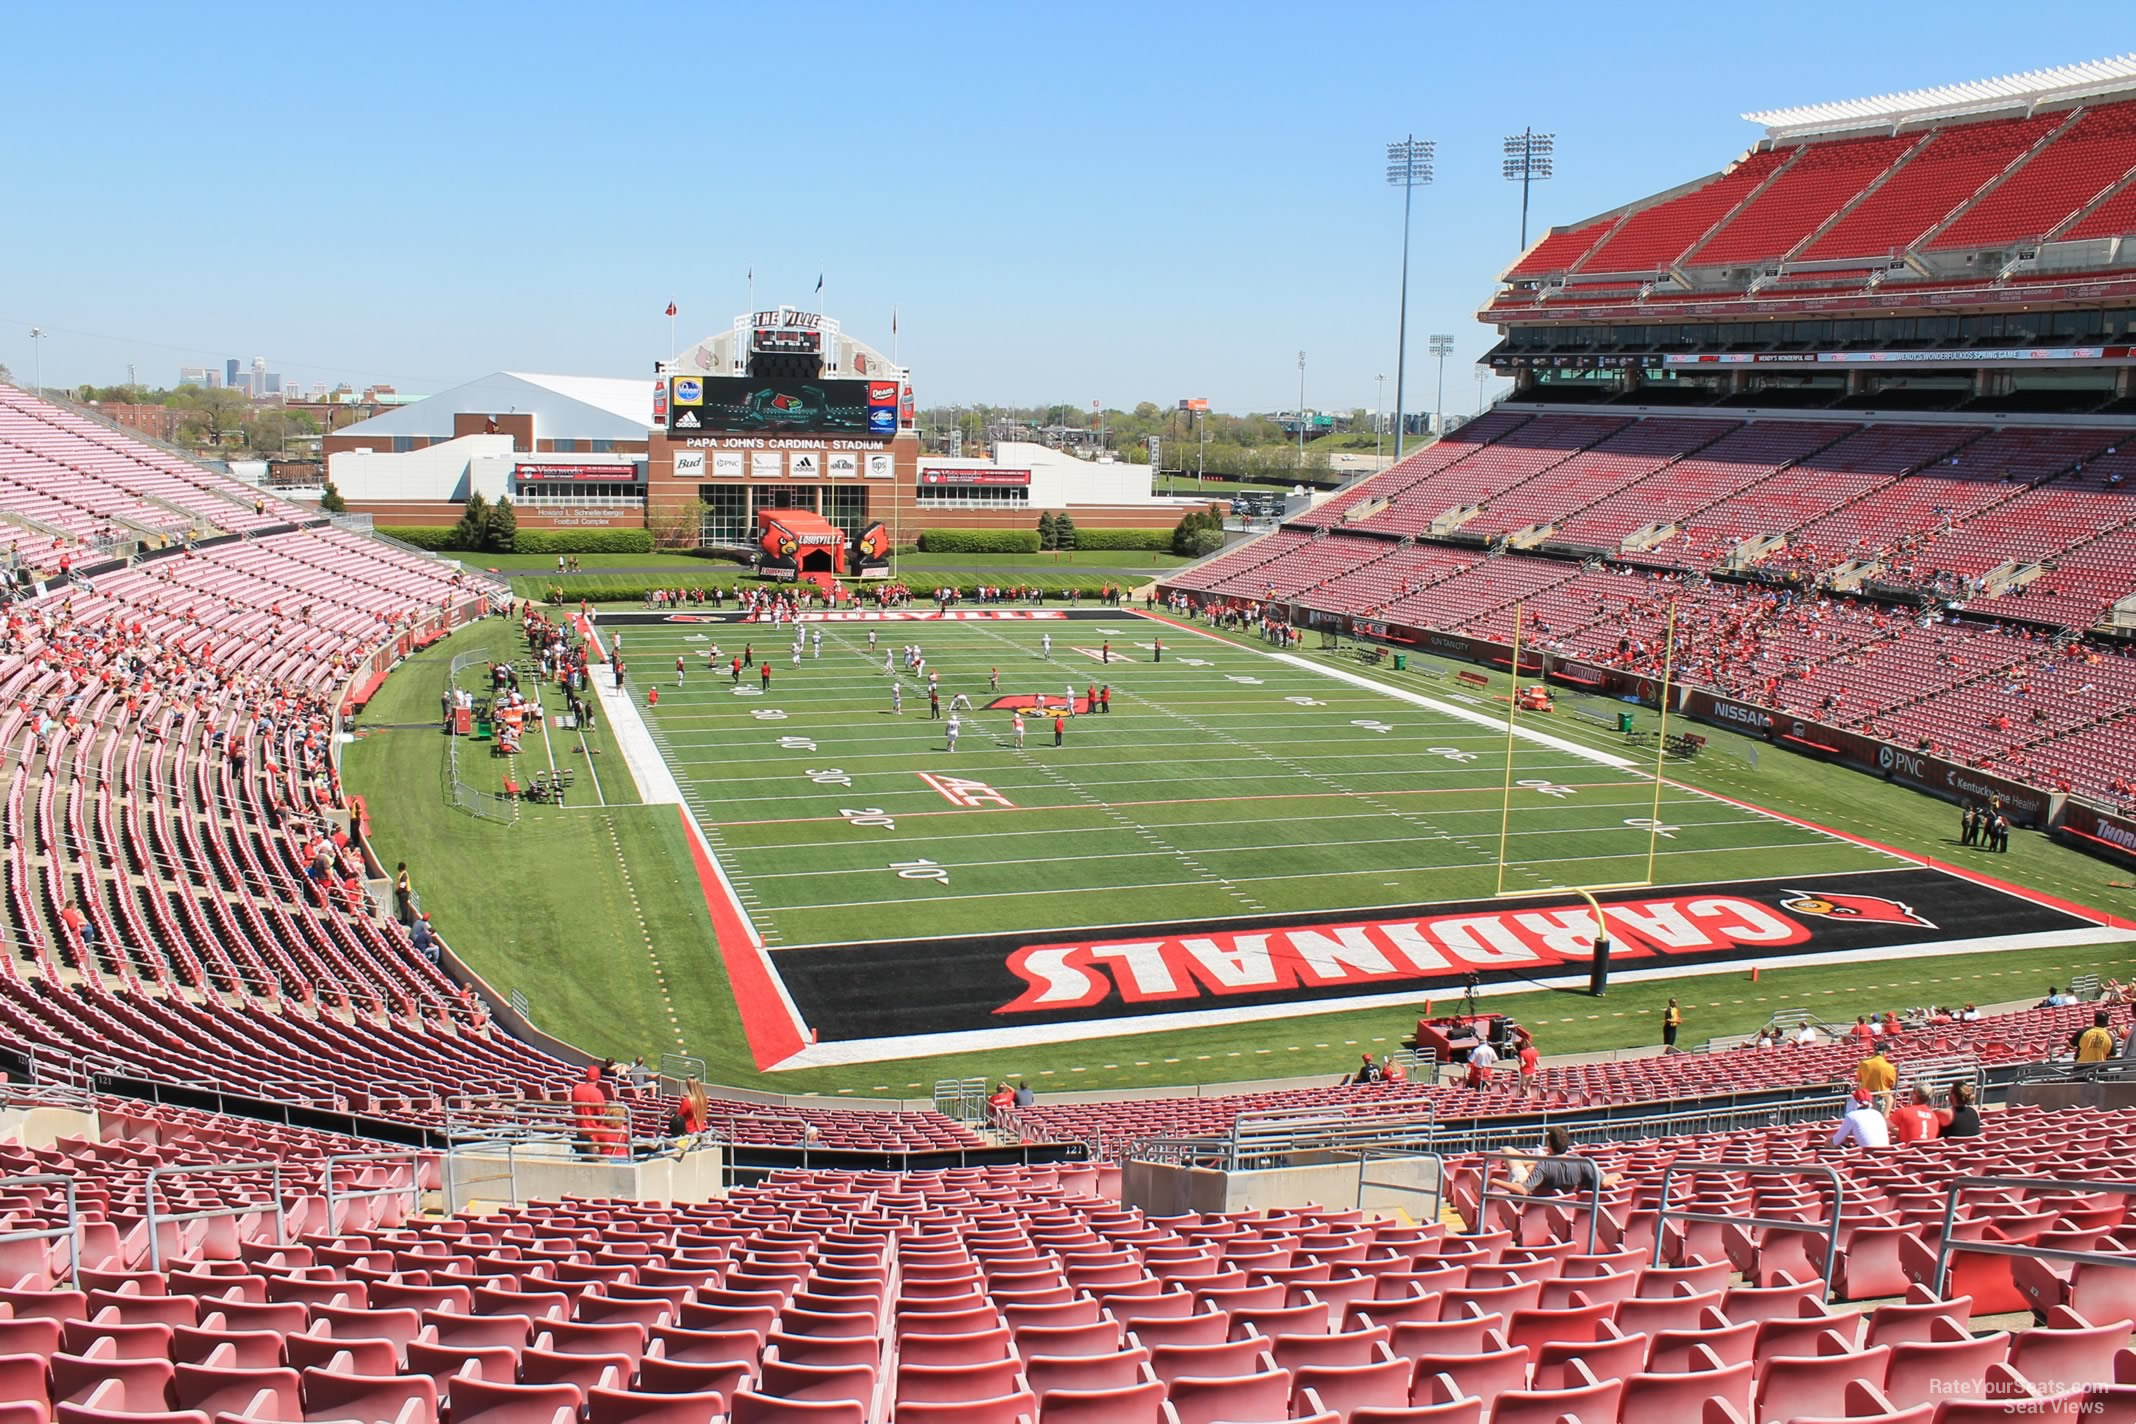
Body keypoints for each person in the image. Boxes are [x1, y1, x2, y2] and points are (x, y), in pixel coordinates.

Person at [1496, 1126, 1622, 1197]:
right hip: (1564, 1205)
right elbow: (1604, 1182)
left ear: (1550, 1146)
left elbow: (1524, 1190)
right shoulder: (1583, 1162)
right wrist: (1617, 1175)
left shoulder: (1544, 1165)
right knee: (1530, 1164)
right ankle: (1532, 1160)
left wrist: (1494, 1181)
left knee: (1506, 1149)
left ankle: (1532, 1160)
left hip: (1534, 1193)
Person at [570, 1063, 610, 1159]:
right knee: (592, 1159)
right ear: (598, 1078)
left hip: (579, 1129)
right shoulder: (597, 1093)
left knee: (583, 1158)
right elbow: (601, 1113)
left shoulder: (576, 1088)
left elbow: (573, 1106)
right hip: (592, 1132)